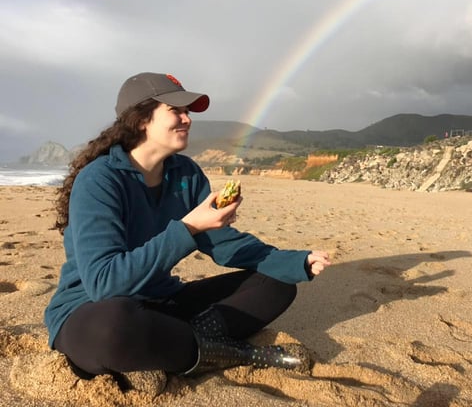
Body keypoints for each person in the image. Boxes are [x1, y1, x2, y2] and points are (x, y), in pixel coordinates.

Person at [44, 72, 331, 388]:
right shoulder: (100, 181)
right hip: (93, 308)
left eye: (188, 112)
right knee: (114, 328)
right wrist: (189, 227)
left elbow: (222, 245)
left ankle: (172, 348)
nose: (187, 119)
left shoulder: (186, 173)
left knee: (278, 283)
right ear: (141, 120)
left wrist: (295, 262)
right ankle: (238, 354)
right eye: (176, 111)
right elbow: (104, 283)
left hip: (162, 301)